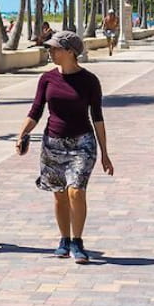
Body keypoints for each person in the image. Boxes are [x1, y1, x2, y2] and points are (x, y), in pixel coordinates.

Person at [16, 30, 113, 264]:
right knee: (59, 195)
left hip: (82, 143)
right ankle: (64, 239)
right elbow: (35, 111)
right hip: (53, 143)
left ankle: (77, 242)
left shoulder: (89, 81)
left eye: (55, 48)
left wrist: (105, 154)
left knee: (76, 191)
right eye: (49, 48)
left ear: (70, 52)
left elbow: (97, 117)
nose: (50, 52)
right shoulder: (47, 79)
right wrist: (22, 134)